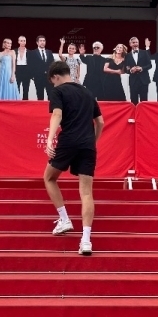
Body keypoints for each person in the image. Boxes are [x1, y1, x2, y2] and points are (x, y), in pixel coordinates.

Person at [43, 60, 104, 256]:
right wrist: (92, 141)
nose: (53, 84)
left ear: (56, 76)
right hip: (87, 145)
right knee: (86, 193)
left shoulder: (58, 91)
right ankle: (86, 241)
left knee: (49, 178)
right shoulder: (87, 92)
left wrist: (49, 139)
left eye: (53, 81)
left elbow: (57, 115)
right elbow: (100, 122)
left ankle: (64, 219)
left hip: (68, 141)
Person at [125, 36, 152, 104]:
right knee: (133, 101)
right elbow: (126, 68)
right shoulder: (127, 55)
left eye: (137, 42)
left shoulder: (144, 52)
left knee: (144, 101)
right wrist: (131, 70)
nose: (135, 44)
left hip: (144, 81)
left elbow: (150, 65)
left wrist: (141, 68)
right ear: (130, 44)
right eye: (133, 42)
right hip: (133, 82)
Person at [29, 35, 54, 100]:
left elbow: (52, 64)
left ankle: (50, 107)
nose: (42, 42)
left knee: (51, 95)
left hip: (49, 77)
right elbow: (31, 64)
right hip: (38, 77)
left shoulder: (49, 52)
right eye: (40, 41)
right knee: (40, 96)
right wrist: (32, 76)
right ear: (37, 42)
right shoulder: (33, 53)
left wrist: (52, 75)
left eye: (43, 41)